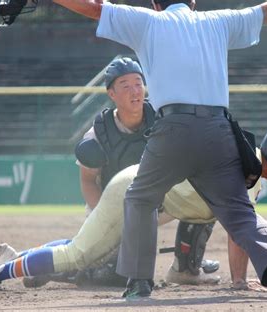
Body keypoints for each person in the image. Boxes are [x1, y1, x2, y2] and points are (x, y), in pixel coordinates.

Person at [48, 0, 267, 299]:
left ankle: (139, 282)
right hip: (218, 129)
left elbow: (95, 8)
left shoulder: (148, 22)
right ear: (192, 2)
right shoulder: (217, 21)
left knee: (140, 199)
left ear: (155, 4)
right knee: (238, 210)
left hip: (173, 128)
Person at [0, 123, 267, 296]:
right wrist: (239, 282)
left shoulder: (250, 171)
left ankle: (14, 257)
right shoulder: (242, 169)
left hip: (153, 199)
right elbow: (241, 229)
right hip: (134, 192)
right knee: (79, 256)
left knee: (86, 250)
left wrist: (239, 282)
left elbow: (239, 229)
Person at [30, 56, 219, 288]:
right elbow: (88, 182)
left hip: (155, 203)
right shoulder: (99, 133)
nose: (135, 91)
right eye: (125, 85)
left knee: (205, 199)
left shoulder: (162, 119)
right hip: (113, 208)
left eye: (138, 83)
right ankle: (49, 265)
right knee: (113, 274)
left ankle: (187, 267)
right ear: (111, 94)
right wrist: (108, 221)